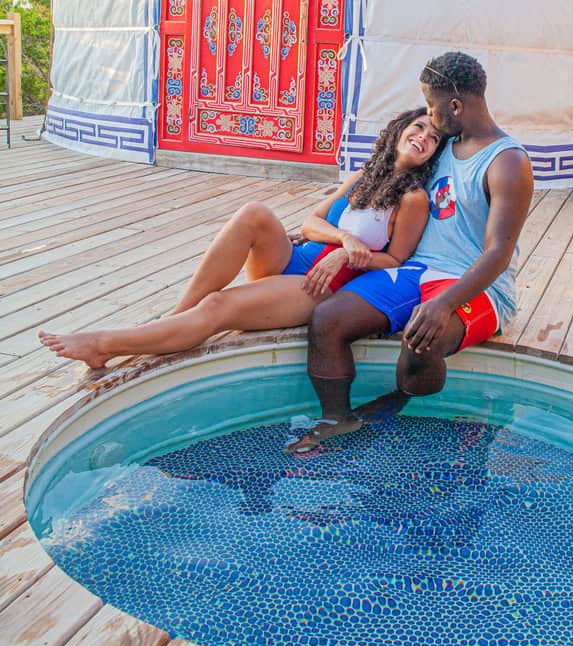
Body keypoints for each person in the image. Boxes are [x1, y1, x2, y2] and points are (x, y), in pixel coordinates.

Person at [38, 108, 442, 371]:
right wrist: (344, 238)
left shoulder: (413, 198)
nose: (423, 136)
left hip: (323, 284)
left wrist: (350, 255)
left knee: (219, 305)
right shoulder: (364, 175)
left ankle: (104, 344)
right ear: (399, 130)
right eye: (418, 126)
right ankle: (176, 318)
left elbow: (395, 260)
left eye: (433, 138)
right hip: (301, 257)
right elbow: (310, 221)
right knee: (254, 213)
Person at [288, 50, 534, 454]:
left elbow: (498, 254)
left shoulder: (506, 162)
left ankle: (402, 405)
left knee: (421, 342)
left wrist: (444, 305)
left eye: (433, 108)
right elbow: (386, 182)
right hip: (415, 269)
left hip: (475, 284)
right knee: (328, 318)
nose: (429, 119)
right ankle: (338, 417)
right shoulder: (443, 145)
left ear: (455, 105)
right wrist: (331, 234)